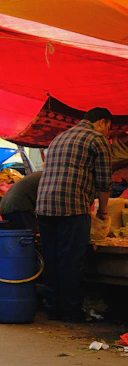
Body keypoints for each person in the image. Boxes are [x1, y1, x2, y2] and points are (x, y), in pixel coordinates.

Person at [37, 108, 113, 322]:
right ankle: (71, 312)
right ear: (102, 122)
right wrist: (103, 211)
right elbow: (104, 181)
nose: (108, 132)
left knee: (52, 259)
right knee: (71, 260)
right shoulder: (97, 139)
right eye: (109, 127)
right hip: (72, 206)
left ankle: (53, 309)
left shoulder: (59, 137)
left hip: (44, 206)